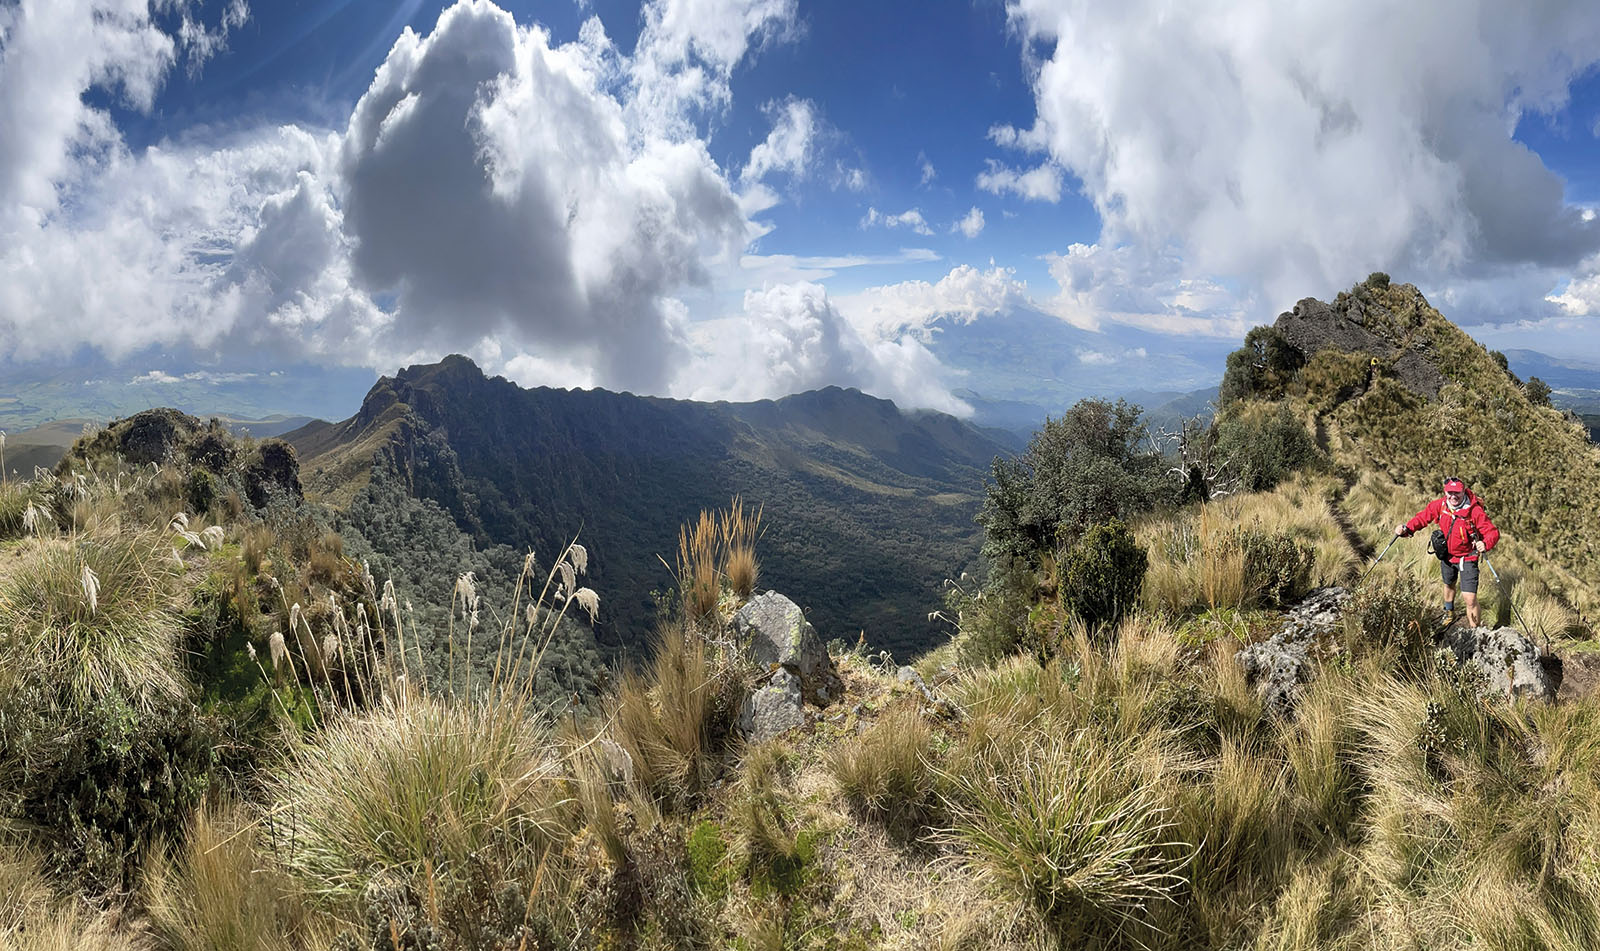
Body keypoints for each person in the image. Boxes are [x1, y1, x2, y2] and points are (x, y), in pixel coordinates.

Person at [1394, 476, 1499, 628]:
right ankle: (1449, 613)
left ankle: (1475, 631)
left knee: (1469, 599)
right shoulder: (1440, 505)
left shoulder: (1474, 511)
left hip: (1467, 557)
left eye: (1457, 493)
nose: (1453, 496)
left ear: (1463, 492)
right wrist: (1407, 528)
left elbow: (1493, 533)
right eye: (1450, 492)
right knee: (1449, 584)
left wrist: (1485, 543)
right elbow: (1423, 517)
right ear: (1445, 492)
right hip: (1447, 555)